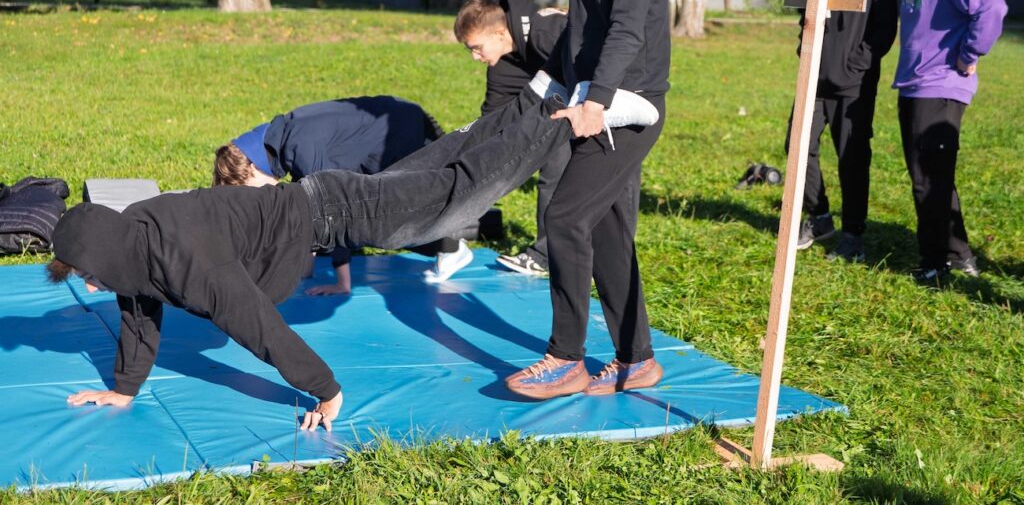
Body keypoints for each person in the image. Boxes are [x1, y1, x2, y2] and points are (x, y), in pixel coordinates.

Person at [48, 84, 659, 430]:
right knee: (441, 166)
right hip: (328, 201)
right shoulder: (140, 239)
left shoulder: (185, 262)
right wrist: (124, 389)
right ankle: (539, 96)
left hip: (339, 212)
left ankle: (577, 116)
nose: (93, 286)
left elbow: (256, 327)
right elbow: (138, 311)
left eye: (89, 275)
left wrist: (325, 390)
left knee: (458, 190)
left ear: (109, 252)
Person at [503, 0, 671, 400]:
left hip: (629, 106)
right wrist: (548, 85)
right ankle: (638, 359)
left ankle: (566, 358)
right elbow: (581, 28)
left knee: (566, 217)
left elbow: (627, 30)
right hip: (590, 99)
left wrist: (597, 101)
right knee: (605, 231)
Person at [213, 96, 471, 291]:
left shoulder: (297, 146)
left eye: (250, 188)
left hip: (402, 131)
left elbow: (331, 209)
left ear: (253, 167)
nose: (258, 195)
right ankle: (453, 235)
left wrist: (341, 282)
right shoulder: (280, 138)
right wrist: (306, 266)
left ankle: (451, 247)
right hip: (393, 123)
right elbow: (304, 206)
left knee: (385, 216)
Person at [888, 0, 1007, 282]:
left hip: (939, 87)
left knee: (927, 179)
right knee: (932, 177)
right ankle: (960, 256)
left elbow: (992, 7)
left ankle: (934, 265)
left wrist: (969, 53)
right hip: (913, 84)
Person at [786, 0, 898, 262]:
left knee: (852, 157)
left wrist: (858, 63)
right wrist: (807, 50)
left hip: (853, 82)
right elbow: (806, 15)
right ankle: (819, 217)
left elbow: (884, 26)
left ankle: (853, 234)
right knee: (798, 147)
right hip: (814, 77)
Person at [454, 0, 571, 276]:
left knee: (557, 168)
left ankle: (547, 256)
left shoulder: (547, 31)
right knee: (552, 161)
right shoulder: (504, 64)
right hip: (565, 103)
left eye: (477, 47)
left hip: (610, 101)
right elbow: (492, 122)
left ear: (499, 32)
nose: (475, 56)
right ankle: (555, 253)